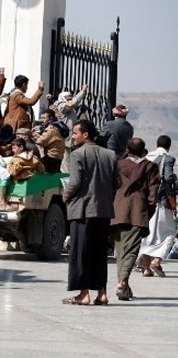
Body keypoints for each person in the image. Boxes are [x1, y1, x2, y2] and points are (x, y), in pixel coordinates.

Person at [62, 119, 118, 306]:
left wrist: (65, 196)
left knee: (80, 253)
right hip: (103, 211)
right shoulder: (110, 155)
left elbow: (75, 182)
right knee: (99, 253)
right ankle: (102, 294)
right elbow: (117, 182)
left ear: (86, 135)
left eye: (75, 133)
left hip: (82, 210)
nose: (73, 136)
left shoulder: (78, 154)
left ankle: (83, 294)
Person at [110, 138, 159, 300]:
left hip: (118, 210)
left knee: (122, 250)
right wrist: (148, 211)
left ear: (128, 149)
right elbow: (153, 194)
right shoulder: (150, 167)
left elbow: (112, 188)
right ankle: (123, 282)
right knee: (131, 251)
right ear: (143, 150)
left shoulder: (118, 165)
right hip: (139, 211)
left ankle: (123, 286)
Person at [139, 135, 177, 277]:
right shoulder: (168, 159)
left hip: (145, 202)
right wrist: (174, 178)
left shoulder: (146, 158)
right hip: (161, 202)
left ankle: (146, 269)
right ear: (169, 146)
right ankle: (156, 261)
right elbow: (167, 178)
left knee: (148, 236)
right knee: (170, 232)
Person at [53, 84, 88, 171]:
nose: (69, 100)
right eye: (67, 98)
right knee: (66, 164)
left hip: (70, 138)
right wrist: (82, 92)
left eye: (70, 98)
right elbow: (71, 104)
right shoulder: (61, 105)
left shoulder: (68, 108)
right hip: (64, 139)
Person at [33, 109, 66, 174]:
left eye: (44, 118)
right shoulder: (56, 126)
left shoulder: (51, 129)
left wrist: (35, 136)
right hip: (57, 156)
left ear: (51, 118)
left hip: (51, 157)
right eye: (42, 118)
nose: (43, 120)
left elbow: (41, 141)